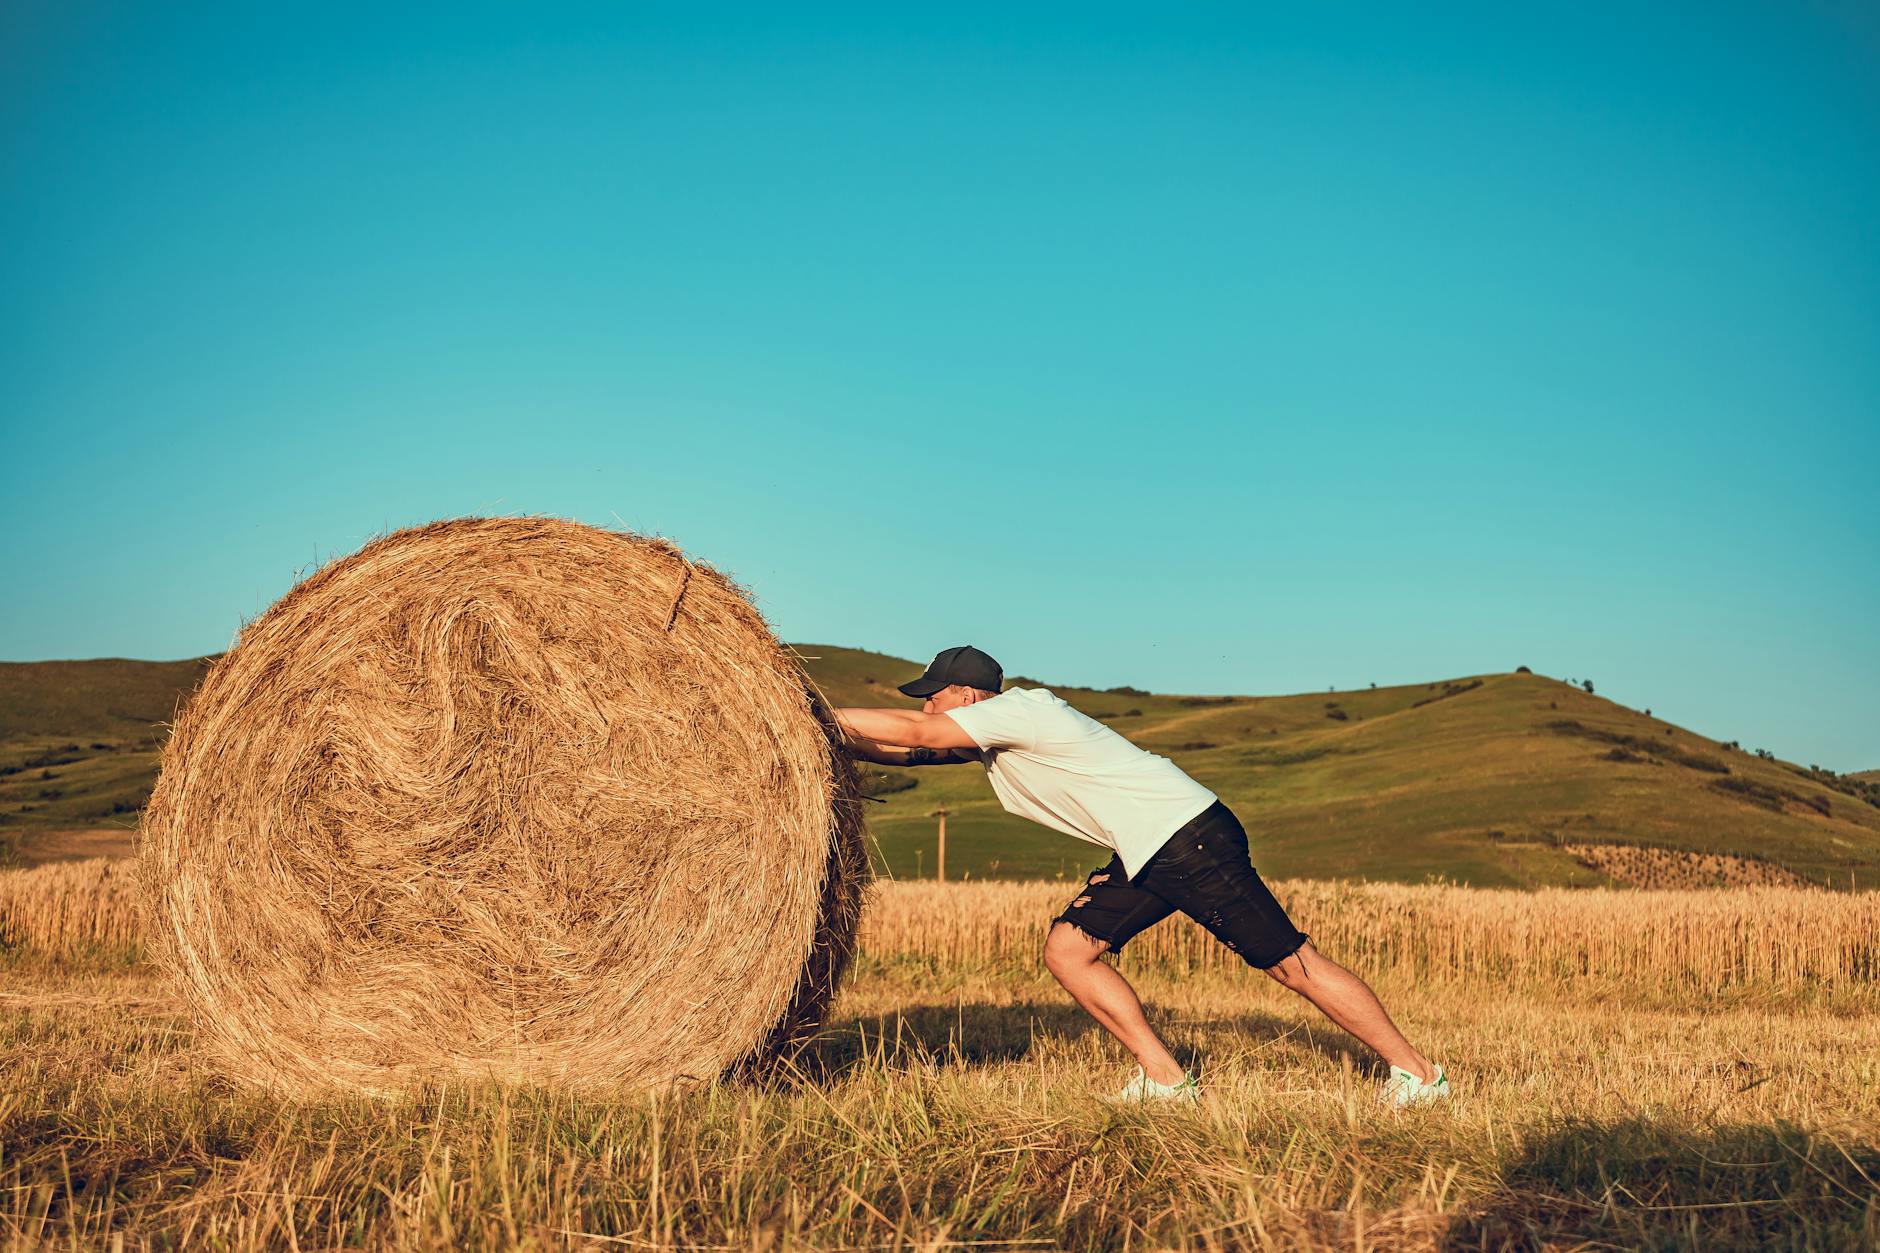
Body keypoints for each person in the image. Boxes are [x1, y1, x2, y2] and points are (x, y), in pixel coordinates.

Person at [833, 644, 1450, 1108]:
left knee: (1291, 962)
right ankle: (1166, 1080)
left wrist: (804, 705)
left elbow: (914, 732)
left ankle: (1419, 1076)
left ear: (966, 695)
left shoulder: (1020, 713)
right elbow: (911, 750)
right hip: (1148, 847)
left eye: (932, 694)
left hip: (1187, 836)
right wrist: (823, 736)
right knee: (1070, 951)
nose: (924, 704)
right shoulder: (999, 735)